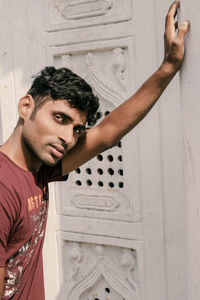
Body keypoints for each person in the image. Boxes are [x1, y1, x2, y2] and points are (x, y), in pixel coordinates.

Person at [0, 1, 189, 299]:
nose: (67, 137)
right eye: (59, 118)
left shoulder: (38, 167)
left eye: (76, 129)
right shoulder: (3, 187)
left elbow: (105, 134)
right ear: (26, 106)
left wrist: (168, 67)